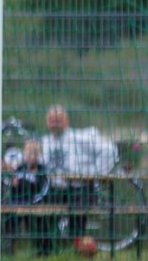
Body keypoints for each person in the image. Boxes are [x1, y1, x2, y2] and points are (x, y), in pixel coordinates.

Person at [39, 104, 117, 243]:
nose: (54, 124)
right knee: (40, 211)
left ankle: (75, 247)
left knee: (77, 212)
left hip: (80, 189)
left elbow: (109, 151)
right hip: (54, 190)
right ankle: (48, 250)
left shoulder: (81, 138)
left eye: (58, 120)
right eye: (51, 121)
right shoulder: (45, 142)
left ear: (66, 121)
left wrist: (96, 175)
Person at [4, 139, 53, 255]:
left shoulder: (42, 170)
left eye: (34, 153)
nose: (31, 156)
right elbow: (12, 188)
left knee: (39, 223)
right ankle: (8, 248)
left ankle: (44, 250)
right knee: (10, 219)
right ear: (24, 154)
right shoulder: (20, 168)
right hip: (18, 203)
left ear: (39, 155)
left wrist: (34, 202)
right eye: (28, 153)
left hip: (35, 203)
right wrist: (13, 183)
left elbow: (44, 189)